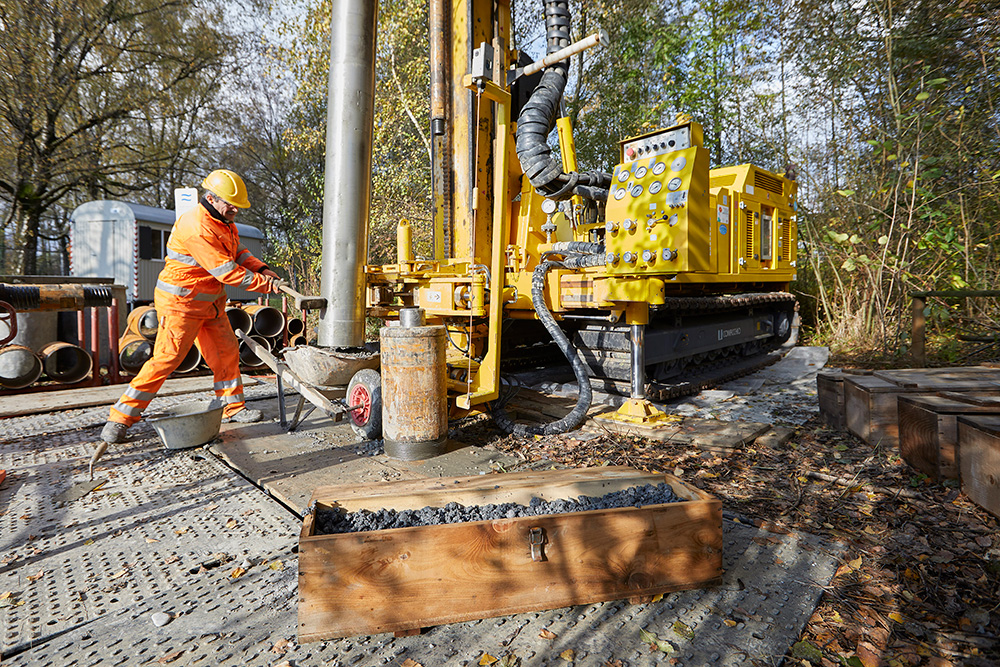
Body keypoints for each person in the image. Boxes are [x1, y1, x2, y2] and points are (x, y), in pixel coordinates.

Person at [101, 169, 286, 444]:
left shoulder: (224, 222)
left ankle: (233, 409)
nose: (235, 209)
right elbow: (227, 271)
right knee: (166, 360)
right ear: (211, 198)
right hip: (181, 305)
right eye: (230, 203)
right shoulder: (196, 227)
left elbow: (238, 253)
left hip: (209, 305)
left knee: (226, 354)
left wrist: (262, 268)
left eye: (238, 205)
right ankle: (120, 418)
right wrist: (267, 285)